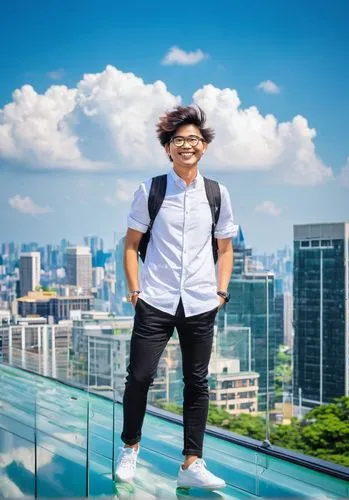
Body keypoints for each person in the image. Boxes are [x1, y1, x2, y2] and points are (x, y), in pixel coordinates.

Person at [115, 105, 237, 490]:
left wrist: (220, 292)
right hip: (156, 300)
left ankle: (191, 464)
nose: (187, 146)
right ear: (168, 148)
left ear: (204, 147)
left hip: (201, 302)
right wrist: (135, 291)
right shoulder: (150, 190)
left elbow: (226, 248)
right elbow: (131, 245)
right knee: (140, 377)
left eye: (194, 140)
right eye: (179, 140)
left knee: (196, 383)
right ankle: (130, 448)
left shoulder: (217, 193)